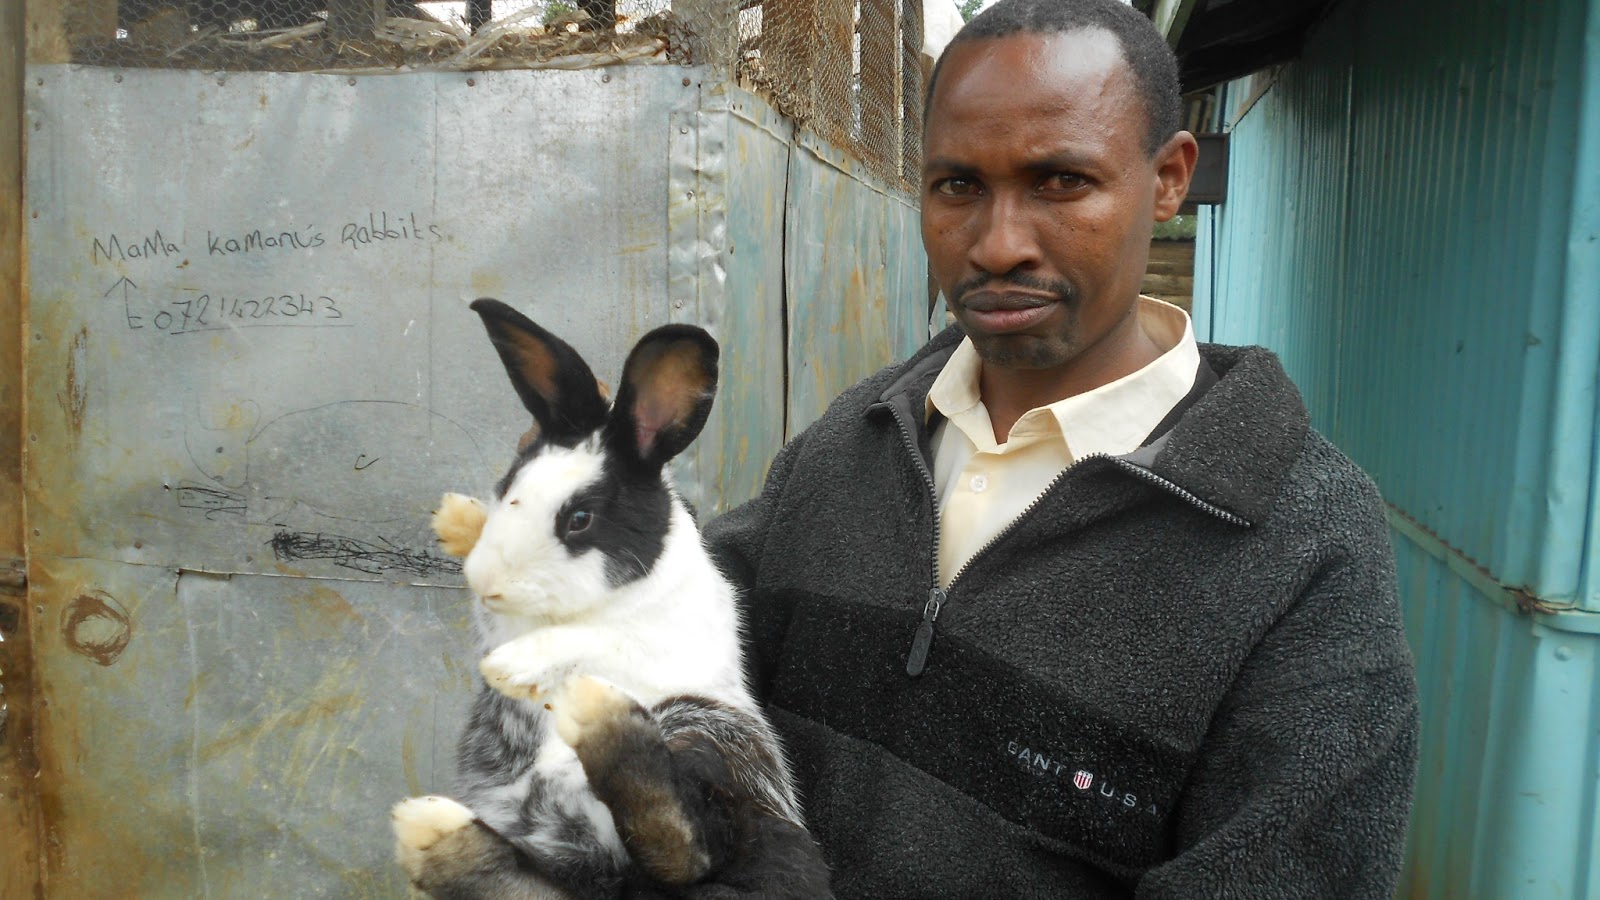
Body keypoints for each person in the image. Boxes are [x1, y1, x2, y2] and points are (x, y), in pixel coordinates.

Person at [702, 0, 1420, 896]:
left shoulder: (1302, 543)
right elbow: (671, 649)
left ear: (1169, 179)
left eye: (1061, 181)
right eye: (957, 186)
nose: (998, 246)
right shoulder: (861, 437)